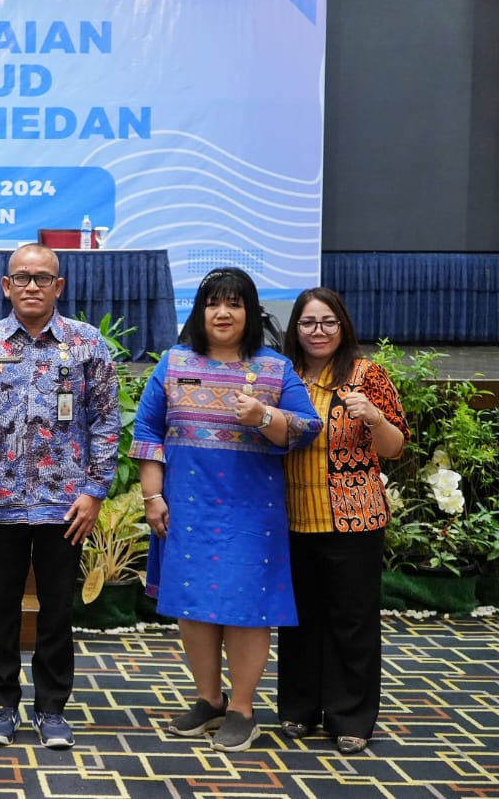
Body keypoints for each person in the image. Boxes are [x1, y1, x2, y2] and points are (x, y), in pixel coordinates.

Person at [130, 266, 321, 752]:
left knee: (245, 609)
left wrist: (265, 415)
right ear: (199, 312)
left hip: (251, 513)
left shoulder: (275, 369)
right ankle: (209, 700)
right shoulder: (173, 363)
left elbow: (307, 427)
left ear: (249, 313)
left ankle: (242, 709)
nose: (222, 312)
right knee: (193, 606)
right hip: (186, 508)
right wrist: (153, 496)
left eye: (234, 304)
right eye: (213, 303)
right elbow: (147, 432)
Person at [0, 242, 121, 750]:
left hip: (64, 504)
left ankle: (52, 708)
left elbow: (106, 420)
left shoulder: (85, 342)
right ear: (7, 286)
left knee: (56, 610)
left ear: (57, 286)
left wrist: (95, 491)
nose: (31, 286)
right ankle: (2, 704)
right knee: (1, 608)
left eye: (42, 278)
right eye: (21, 277)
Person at [278, 287, 408, 755]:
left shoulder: (366, 375)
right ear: (295, 328)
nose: (318, 331)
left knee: (351, 621)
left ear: (343, 325)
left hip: (355, 519)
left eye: (328, 322)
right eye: (308, 323)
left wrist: (373, 417)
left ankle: (350, 716)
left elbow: (395, 447)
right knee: (299, 619)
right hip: (293, 516)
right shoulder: (283, 374)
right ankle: (299, 708)